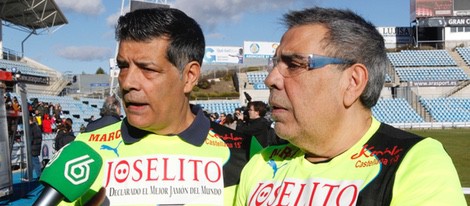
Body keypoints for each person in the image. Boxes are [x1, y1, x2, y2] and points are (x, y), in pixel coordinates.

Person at [236, 7, 466, 205]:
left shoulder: (415, 164)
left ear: (352, 82)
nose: (271, 79)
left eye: (294, 64)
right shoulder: (262, 165)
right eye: (275, 64)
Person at [61, 7, 261, 205]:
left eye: (147, 69)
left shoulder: (246, 152)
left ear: (190, 76)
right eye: (123, 66)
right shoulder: (84, 151)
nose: (128, 82)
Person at [22, 116, 42, 181]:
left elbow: (32, 138)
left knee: (35, 163)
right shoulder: (36, 127)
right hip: (35, 147)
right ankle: (26, 176)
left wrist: (30, 144)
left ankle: (40, 176)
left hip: (33, 147)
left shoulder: (32, 128)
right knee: (31, 163)